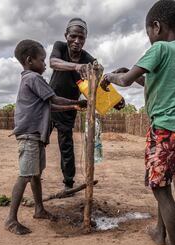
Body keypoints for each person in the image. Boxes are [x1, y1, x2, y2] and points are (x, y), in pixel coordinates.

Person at [100, 0, 175, 245]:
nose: (149, 38)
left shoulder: (159, 49)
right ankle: (160, 231)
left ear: (156, 27)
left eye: (148, 33)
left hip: (165, 129)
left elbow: (128, 80)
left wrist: (110, 76)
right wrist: (129, 75)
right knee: (164, 183)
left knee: (160, 189)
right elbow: (152, 80)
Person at [5, 39, 87, 235]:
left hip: (36, 136)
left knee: (35, 175)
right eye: (42, 60)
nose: (44, 64)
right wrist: (77, 101)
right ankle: (10, 219)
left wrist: (74, 106)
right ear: (29, 60)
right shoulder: (33, 78)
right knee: (25, 175)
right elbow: (54, 99)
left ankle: (39, 209)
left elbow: (51, 105)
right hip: (30, 135)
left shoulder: (31, 79)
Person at [49, 18, 124, 191]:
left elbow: (98, 83)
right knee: (39, 141)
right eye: (73, 36)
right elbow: (53, 63)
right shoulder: (60, 47)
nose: (77, 41)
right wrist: (77, 67)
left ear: (85, 38)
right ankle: (33, 179)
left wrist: (115, 100)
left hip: (70, 106)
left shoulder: (88, 58)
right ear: (66, 35)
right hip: (50, 101)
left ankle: (68, 184)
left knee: (66, 146)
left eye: (81, 38)